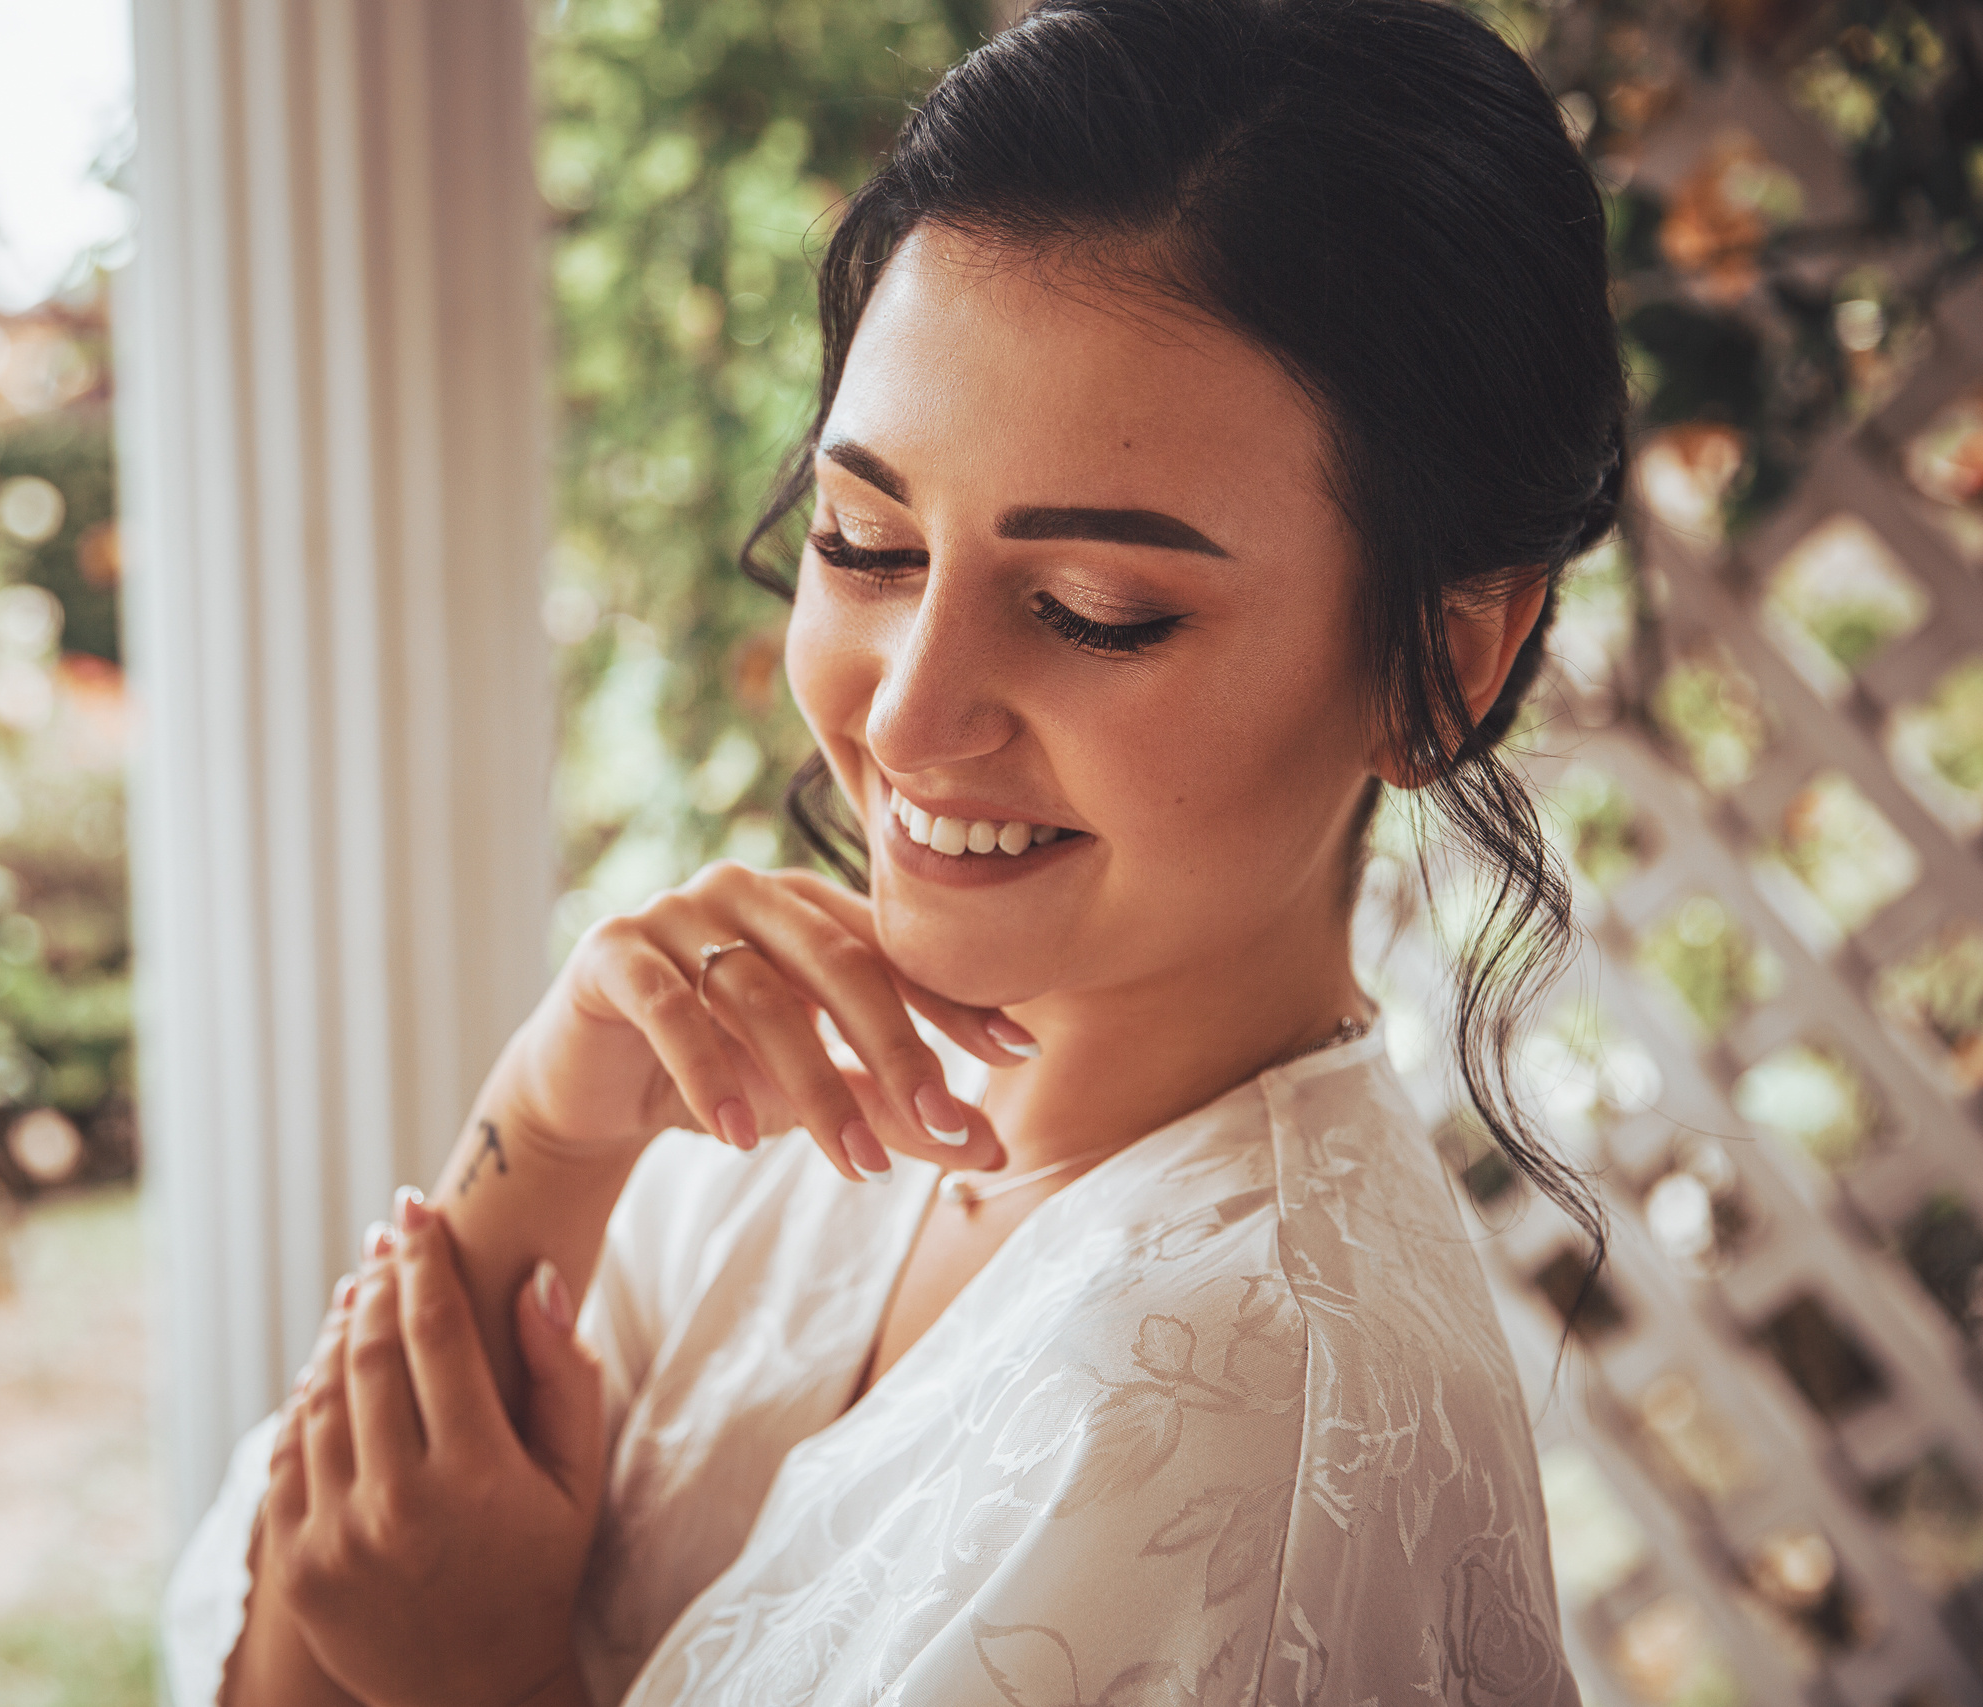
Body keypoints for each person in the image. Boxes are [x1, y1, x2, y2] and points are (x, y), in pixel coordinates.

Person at [164, 0, 1623, 1700]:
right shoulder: (763, 1122)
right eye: (864, 545)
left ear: (1444, 662)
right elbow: (287, 1631)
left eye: (1096, 613)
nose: (909, 724)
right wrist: (551, 1123)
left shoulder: (1250, 1428)